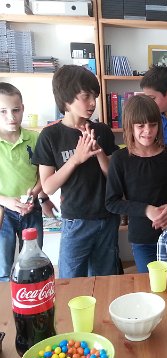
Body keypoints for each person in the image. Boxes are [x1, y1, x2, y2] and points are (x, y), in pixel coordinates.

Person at [32, 65, 120, 278]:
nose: (93, 103)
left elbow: (113, 177)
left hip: (107, 217)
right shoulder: (50, 135)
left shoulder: (102, 130)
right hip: (75, 220)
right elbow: (48, 186)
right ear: (66, 99)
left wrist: (98, 152)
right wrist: (76, 159)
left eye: (94, 96)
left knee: (105, 280)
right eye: (85, 96)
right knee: (71, 280)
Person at [105, 95, 167, 273]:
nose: (148, 131)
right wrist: (146, 210)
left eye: (153, 125)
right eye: (140, 126)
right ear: (130, 126)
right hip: (142, 239)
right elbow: (112, 202)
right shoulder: (119, 159)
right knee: (152, 283)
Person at [0, 83, 55, 281]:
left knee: (33, 263)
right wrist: (5, 201)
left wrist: (37, 194)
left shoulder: (35, 138)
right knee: (4, 266)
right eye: (3, 111)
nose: (11, 117)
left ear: (23, 108)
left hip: (31, 209)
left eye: (15, 110)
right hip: (3, 212)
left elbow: (43, 174)